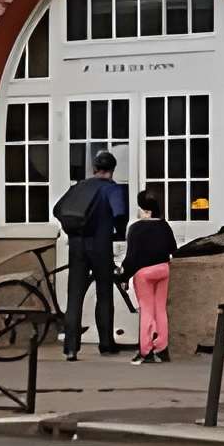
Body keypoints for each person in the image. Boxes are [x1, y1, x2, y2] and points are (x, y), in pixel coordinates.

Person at [55, 149, 130, 359]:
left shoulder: (79, 186)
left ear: (95, 168)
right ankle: (106, 343)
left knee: (74, 296)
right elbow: (120, 213)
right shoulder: (111, 189)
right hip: (100, 245)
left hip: (77, 245)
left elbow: (58, 209)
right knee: (104, 294)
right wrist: (120, 232)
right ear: (112, 170)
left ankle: (70, 347)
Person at [124, 185, 178, 364]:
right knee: (160, 309)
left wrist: (125, 276)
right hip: (163, 269)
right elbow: (173, 249)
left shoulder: (136, 229)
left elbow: (131, 258)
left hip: (144, 273)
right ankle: (162, 348)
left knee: (146, 309)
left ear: (143, 209)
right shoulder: (164, 225)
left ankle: (146, 350)